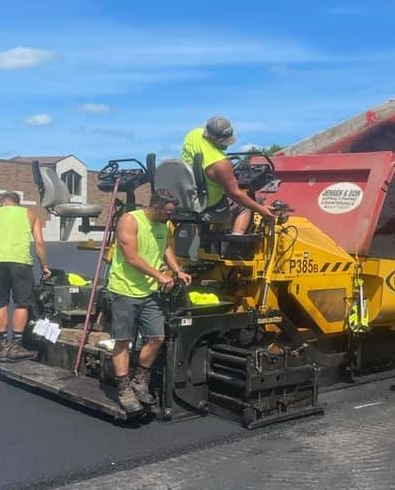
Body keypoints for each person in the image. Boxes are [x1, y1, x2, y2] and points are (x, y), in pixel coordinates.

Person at [106, 188, 192, 415]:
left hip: (149, 292)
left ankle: (139, 380)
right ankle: (124, 388)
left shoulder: (163, 225)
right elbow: (131, 256)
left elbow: (166, 249)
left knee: (157, 337)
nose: (170, 216)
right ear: (155, 207)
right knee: (123, 341)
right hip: (125, 290)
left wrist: (177, 270)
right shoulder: (129, 221)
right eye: (168, 211)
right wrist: (160, 276)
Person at [182, 116, 276, 233]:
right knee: (244, 205)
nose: (227, 144)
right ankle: (235, 244)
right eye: (224, 141)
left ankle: (214, 236)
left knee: (228, 199)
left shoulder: (194, 134)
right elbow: (235, 194)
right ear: (214, 138)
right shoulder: (221, 163)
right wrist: (261, 209)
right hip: (208, 203)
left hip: (188, 196)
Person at [0, 191, 51, 361]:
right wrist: (44, 266)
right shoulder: (30, 214)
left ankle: (3, 346)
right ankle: (15, 346)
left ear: (3, 203)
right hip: (20, 262)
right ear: (18, 203)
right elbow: (39, 243)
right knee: (22, 303)